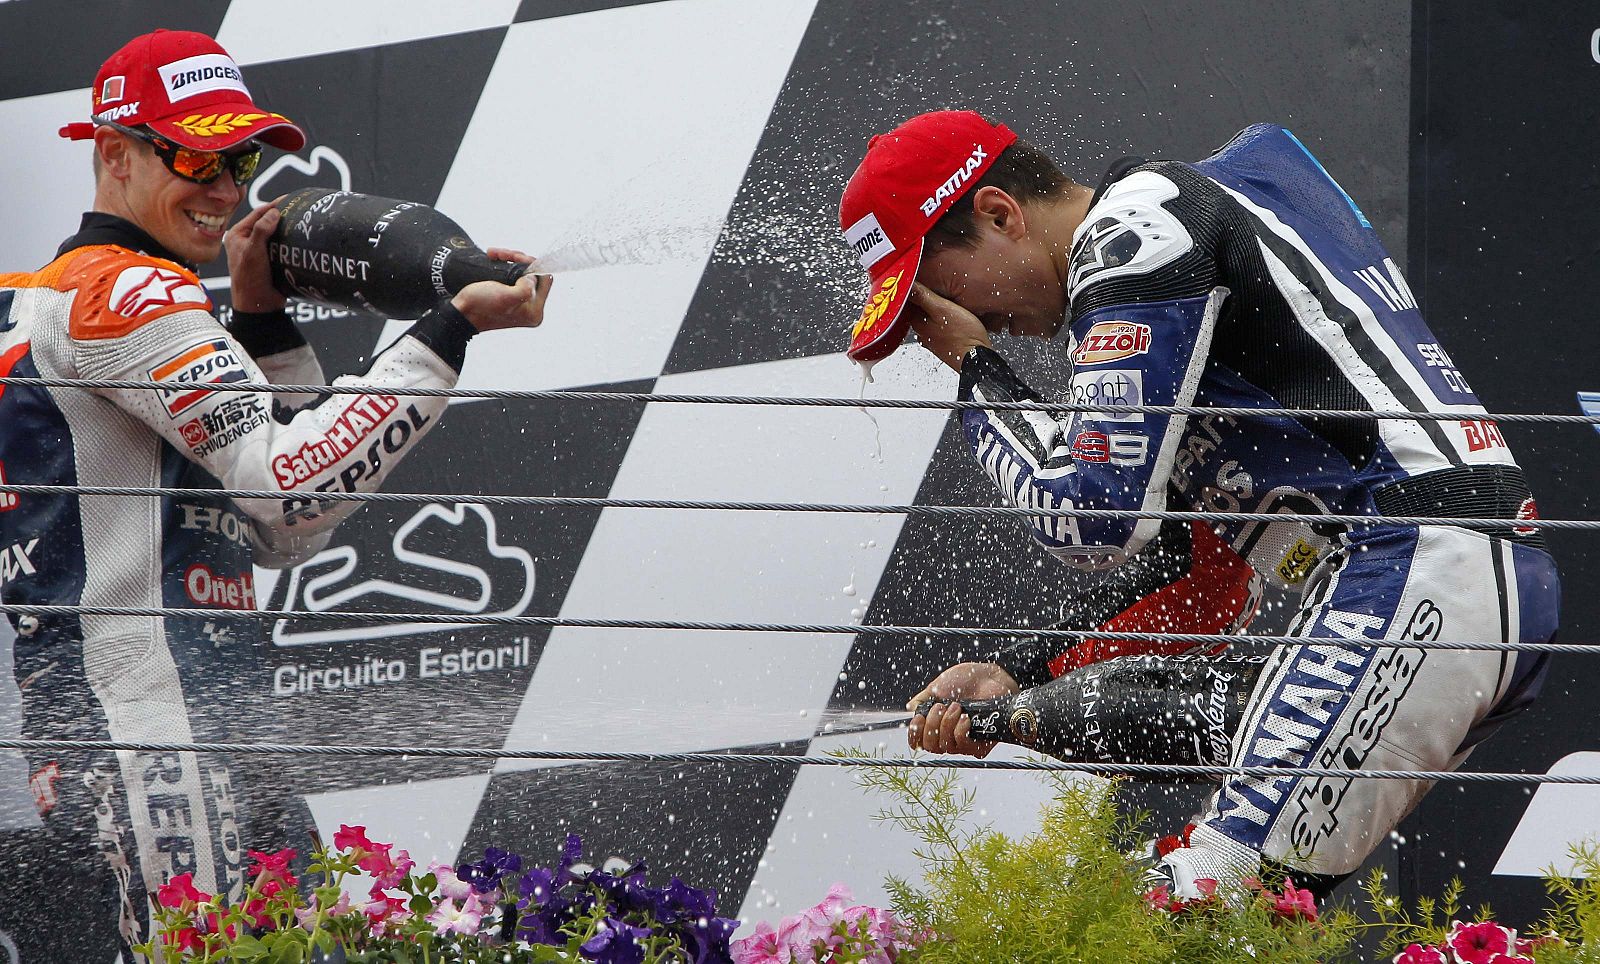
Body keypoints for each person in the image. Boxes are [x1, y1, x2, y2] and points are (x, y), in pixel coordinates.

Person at [837, 111, 1560, 898]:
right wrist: (1015, 671)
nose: (972, 323)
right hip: (1457, 576)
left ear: (1000, 213)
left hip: (1417, 566)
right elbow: (1196, 573)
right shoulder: (1179, 240)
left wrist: (976, 371)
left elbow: (1090, 517)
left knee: (1208, 905)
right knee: (1257, 907)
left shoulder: (1135, 234)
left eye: (946, 295)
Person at [0, 29, 552, 958]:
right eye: (194, 158)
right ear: (114, 155)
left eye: (240, 161)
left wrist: (260, 320)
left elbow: (271, 533)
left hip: (154, 729)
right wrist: (449, 330)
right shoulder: (126, 295)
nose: (224, 192)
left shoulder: (65, 299)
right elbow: (291, 493)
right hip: (157, 738)